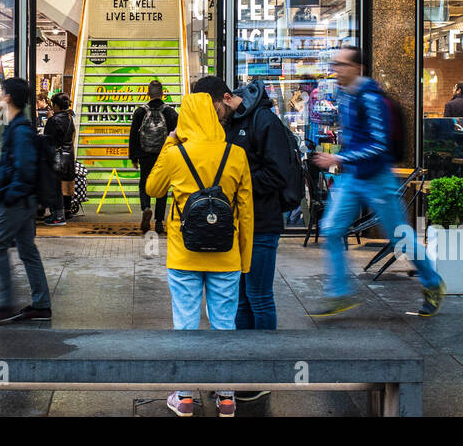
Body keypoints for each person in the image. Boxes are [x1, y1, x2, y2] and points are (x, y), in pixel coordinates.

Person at [311, 47, 445, 318]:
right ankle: (339, 293)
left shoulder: (370, 99)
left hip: (377, 178)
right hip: (353, 177)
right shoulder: (346, 96)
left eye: (340, 64)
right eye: (334, 64)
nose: (335, 69)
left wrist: (338, 158)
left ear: (357, 68)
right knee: (332, 229)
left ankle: (432, 282)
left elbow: (379, 146)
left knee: (400, 237)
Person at [145, 92, 253, 418]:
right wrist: (243, 258)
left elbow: (153, 188)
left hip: (184, 255)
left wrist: (169, 141)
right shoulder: (235, 154)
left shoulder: (176, 154)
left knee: (186, 324)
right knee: (224, 325)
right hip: (226, 255)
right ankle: (226, 397)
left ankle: (185, 396)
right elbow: (245, 212)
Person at [191, 76, 299, 347]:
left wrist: (236, 180)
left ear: (227, 98)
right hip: (235, 227)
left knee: (259, 296)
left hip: (262, 224)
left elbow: (277, 175)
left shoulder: (264, 121)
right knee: (239, 300)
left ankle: (263, 370)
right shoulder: (229, 124)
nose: (212, 118)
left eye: (213, 110)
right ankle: (243, 369)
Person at [0, 77, 52, 325]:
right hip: (22, 201)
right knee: (27, 250)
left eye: (2, 94)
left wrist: (7, 197)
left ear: (8, 98)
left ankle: (5, 305)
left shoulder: (20, 131)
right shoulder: (18, 127)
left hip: (16, 202)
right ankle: (41, 305)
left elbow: (24, 170)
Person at [129, 79, 178, 235]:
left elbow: (133, 136)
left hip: (145, 155)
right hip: (164, 156)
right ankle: (158, 222)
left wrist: (134, 157)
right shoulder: (170, 112)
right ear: (163, 93)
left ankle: (146, 208)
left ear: (148, 93)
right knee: (162, 187)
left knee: (144, 183)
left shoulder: (140, 112)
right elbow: (178, 135)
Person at [40, 92, 75, 226]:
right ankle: (64, 212)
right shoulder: (70, 117)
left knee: (55, 186)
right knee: (62, 186)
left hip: (56, 157)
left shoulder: (54, 120)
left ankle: (58, 216)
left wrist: (49, 119)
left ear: (56, 105)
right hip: (68, 156)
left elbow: (48, 138)